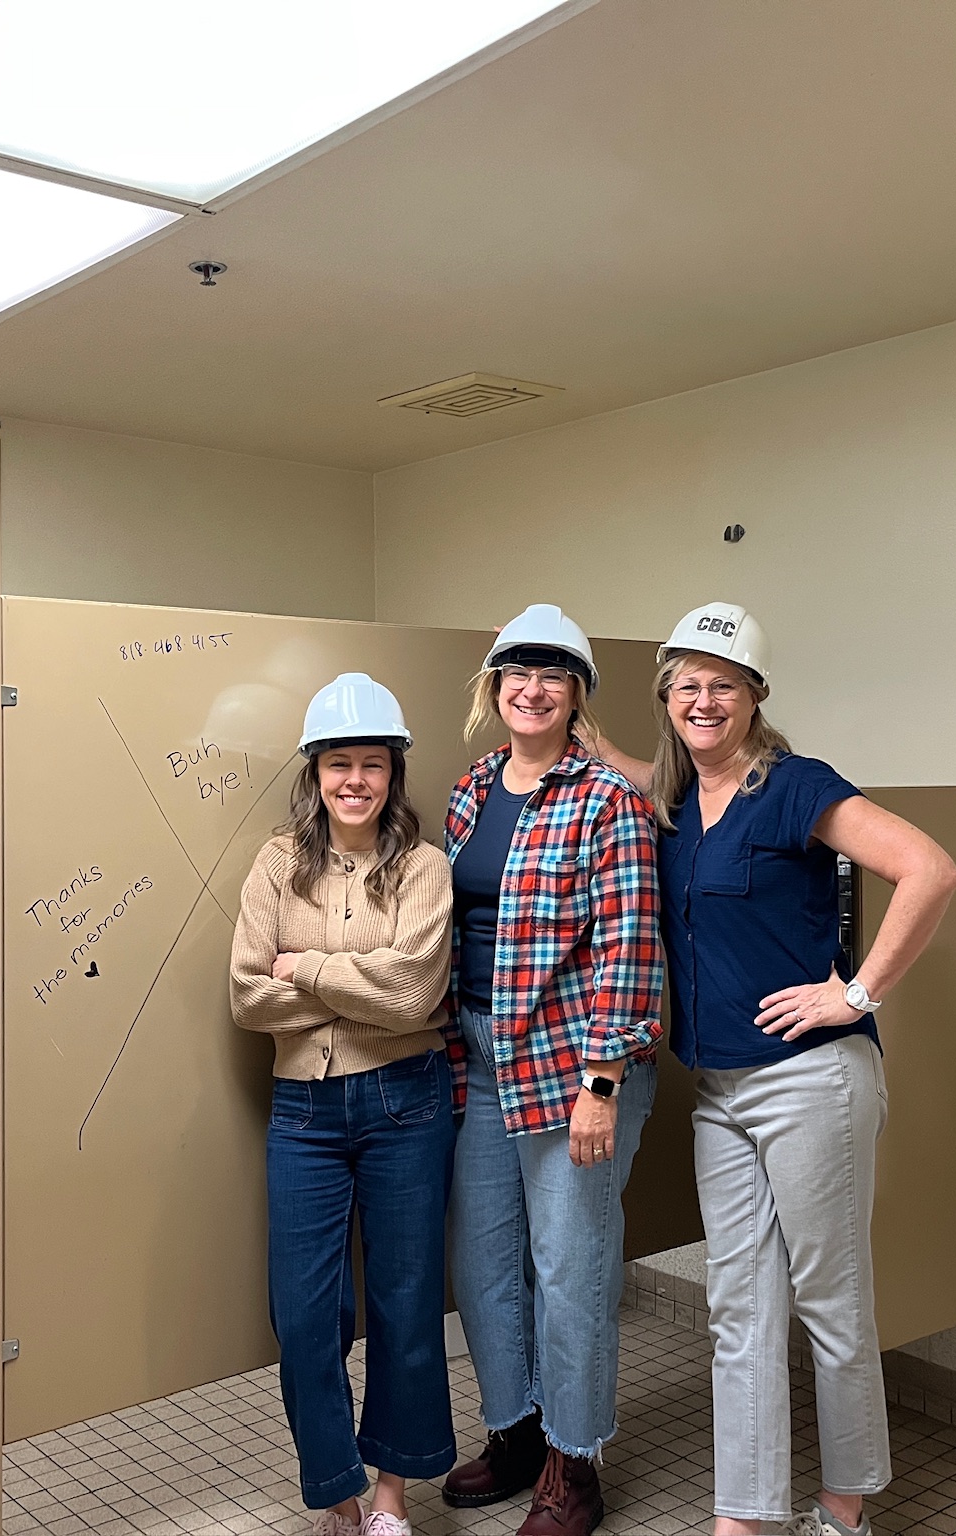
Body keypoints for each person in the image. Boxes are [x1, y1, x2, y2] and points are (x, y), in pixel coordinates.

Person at [599, 602, 956, 1536]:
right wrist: (574, 728)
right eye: (687, 686)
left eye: (723, 685)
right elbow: (635, 768)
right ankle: (747, 1517)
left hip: (811, 1082)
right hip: (719, 1091)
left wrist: (856, 993)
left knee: (830, 1301)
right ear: (666, 698)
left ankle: (844, 1507)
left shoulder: (796, 787)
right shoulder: (676, 803)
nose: (703, 701)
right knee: (740, 1309)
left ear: (755, 696)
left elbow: (929, 870)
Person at [440, 604, 665, 1536]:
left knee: (571, 1268)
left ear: (578, 695)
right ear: (494, 687)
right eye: (516, 673)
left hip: (577, 1062)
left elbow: (630, 947)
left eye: (553, 675)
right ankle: (519, 1431)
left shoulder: (608, 799)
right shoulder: (469, 790)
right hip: (481, 1055)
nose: (531, 690)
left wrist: (601, 1085)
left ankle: (575, 1463)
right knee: (483, 1260)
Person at [229, 673, 459, 1536]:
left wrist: (307, 969)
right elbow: (247, 996)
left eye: (372, 763)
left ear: (394, 773)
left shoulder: (425, 867)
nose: (355, 780)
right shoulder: (276, 863)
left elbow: (415, 997)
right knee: (305, 1313)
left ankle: (392, 1498)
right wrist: (363, 986)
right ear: (315, 771)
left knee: (406, 1304)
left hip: (407, 1104)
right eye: (338, 763)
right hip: (305, 1114)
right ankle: (338, 1492)